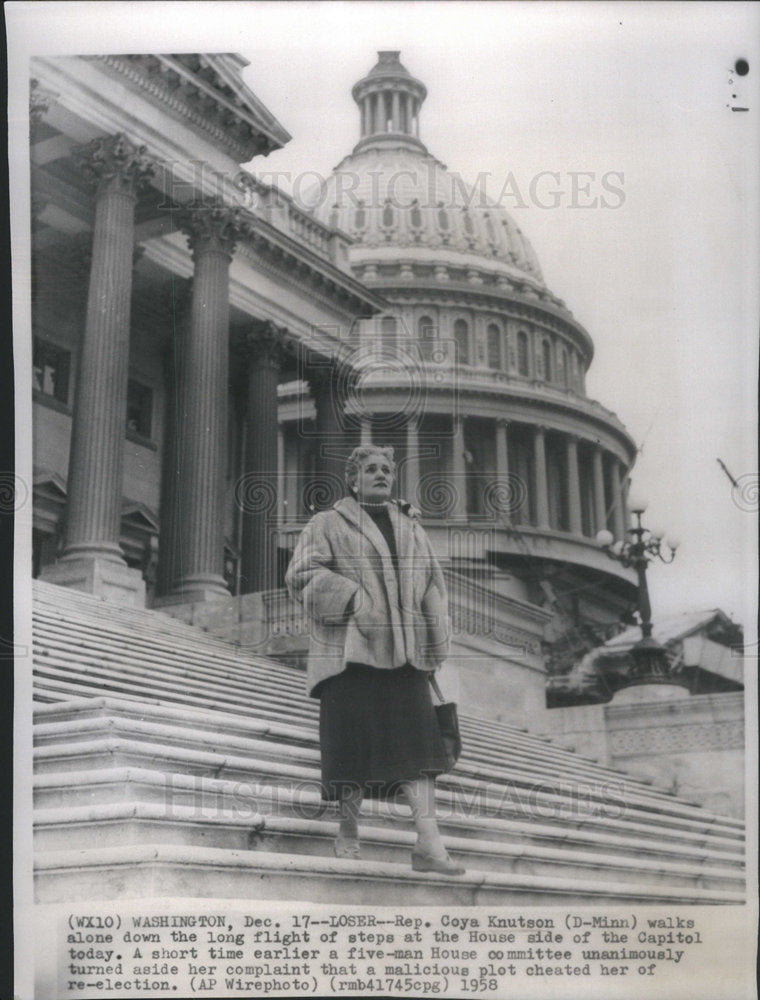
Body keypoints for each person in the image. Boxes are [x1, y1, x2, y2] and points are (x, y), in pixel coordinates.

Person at [285, 445, 465, 875]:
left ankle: (429, 845)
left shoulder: (412, 527)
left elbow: (432, 584)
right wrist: (352, 598)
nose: (381, 474)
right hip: (352, 655)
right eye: (371, 468)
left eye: (387, 468)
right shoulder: (327, 523)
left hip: (406, 656)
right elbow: (301, 574)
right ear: (353, 478)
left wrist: (436, 629)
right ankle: (348, 830)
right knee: (352, 749)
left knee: (420, 752)